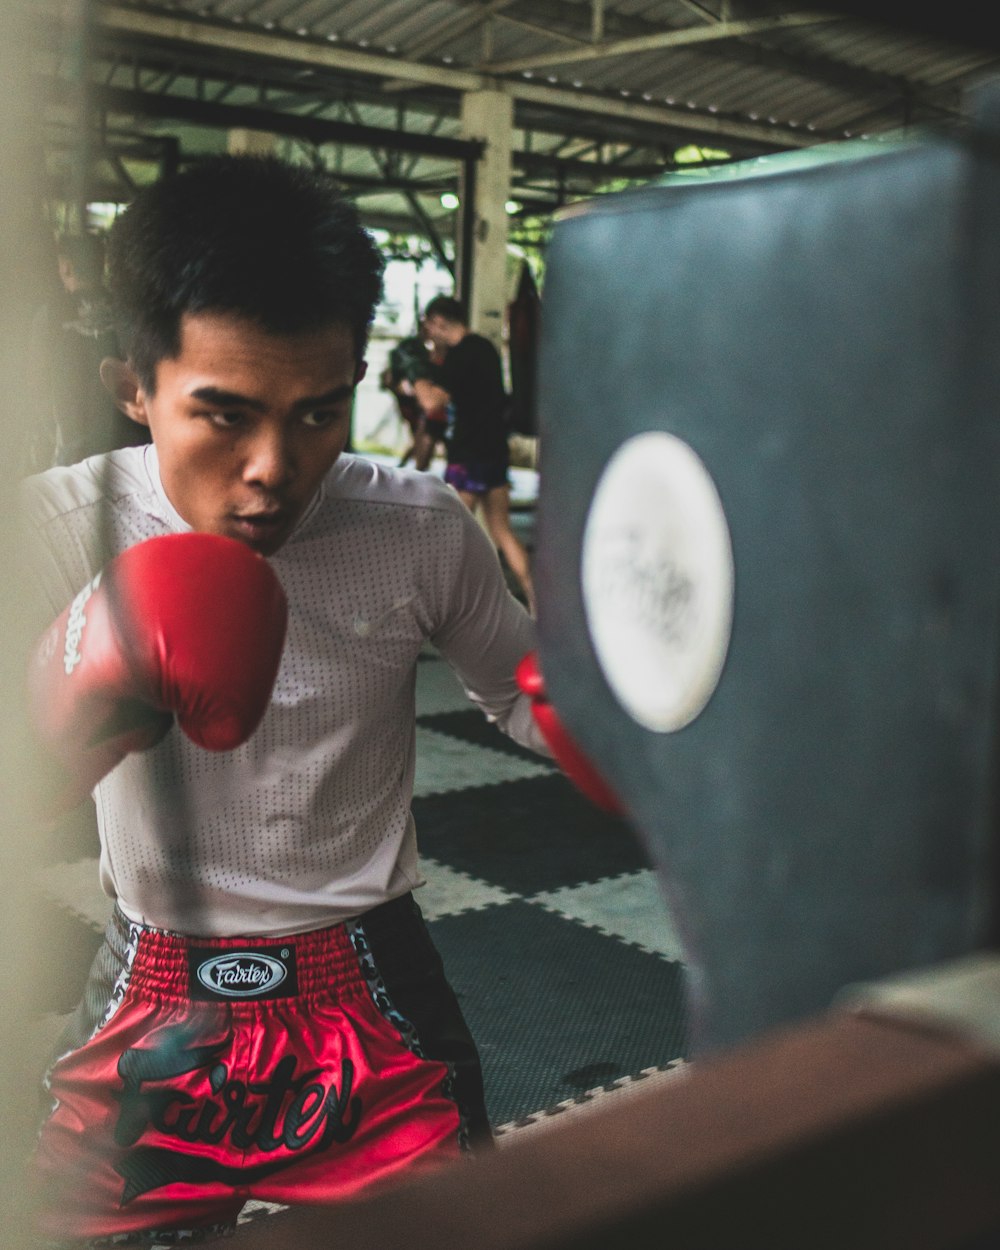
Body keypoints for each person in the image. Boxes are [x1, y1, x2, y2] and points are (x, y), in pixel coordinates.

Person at [18, 155, 580, 1247]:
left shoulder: (417, 530)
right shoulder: (55, 527)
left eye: (319, 413)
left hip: (368, 985)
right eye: (222, 415)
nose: (275, 466)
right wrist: (66, 687)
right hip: (150, 992)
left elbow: (520, 694)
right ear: (133, 385)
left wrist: (642, 719)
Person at [415, 296, 536, 614]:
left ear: (440, 322)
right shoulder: (486, 348)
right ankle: (537, 604)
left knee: (448, 529)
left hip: (468, 457)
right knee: (502, 530)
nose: (431, 334)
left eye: (431, 326)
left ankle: (438, 607)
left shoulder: (460, 355)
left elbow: (431, 404)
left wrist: (415, 376)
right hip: (494, 451)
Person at [24, 231, 150, 472]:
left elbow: (36, 380)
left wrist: (44, 435)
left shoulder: (49, 314)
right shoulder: (130, 311)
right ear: (100, 263)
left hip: (72, 438)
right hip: (128, 441)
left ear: (67, 266)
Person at [379, 334, 448, 470]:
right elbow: (388, 383)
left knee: (424, 443)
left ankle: (407, 468)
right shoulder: (397, 373)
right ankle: (406, 468)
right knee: (420, 443)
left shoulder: (425, 373)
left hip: (430, 415)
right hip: (416, 413)